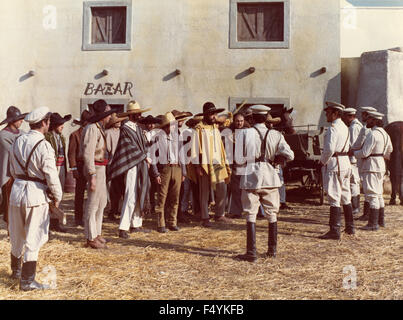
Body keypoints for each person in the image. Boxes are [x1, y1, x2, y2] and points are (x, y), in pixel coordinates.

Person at [8, 106, 62, 290]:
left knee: (16, 234)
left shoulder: (17, 141)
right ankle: (27, 281)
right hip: (36, 194)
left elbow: (12, 170)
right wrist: (57, 196)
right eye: (48, 122)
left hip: (16, 192)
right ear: (45, 123)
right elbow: (51, 175)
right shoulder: (44, 145)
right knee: (34, 236)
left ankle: (15, 271)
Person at [235, 105, 294, 262]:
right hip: (270, 175)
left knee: (250, 213)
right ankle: (271, 250)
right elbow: (290, 154)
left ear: (252, 118)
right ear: (266, 118)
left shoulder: (244, 133)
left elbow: (237, 158)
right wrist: (277, 159)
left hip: (250, 177)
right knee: (272, 213)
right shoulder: (276, 134)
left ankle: (251, 252)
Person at [107, 100, 152, 239]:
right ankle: (123, 227)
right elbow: (128, 148)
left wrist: (146, 153)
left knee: (139, 193)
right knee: (130, 195)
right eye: (137, 113)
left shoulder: (138, 128)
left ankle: (136, 224)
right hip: (132, 166)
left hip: (142, 165)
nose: (139, 115)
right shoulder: (125, 129)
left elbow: (144, 145)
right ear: (132, 115)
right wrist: (144, 156)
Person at [188, 102, 232, 228]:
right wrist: (197, 166)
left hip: (218, 164)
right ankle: (205, 217)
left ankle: (219, 214)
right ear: (206, 115)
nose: (214, 116)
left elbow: (220, 147)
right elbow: (195, 149)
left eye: (215, 114)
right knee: (204, 191)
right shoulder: (199, 129)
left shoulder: (215, 128)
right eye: (211, 114)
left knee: (222, 188)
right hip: (204, 165)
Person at [81, 99, 114, 249]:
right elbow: (88, 153)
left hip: (101, 169)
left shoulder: (98, 127)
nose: (109, 118)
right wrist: (92, 174)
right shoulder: (91, 128)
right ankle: (90, 237)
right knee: (92, 204)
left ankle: (97, 233)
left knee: (102, 203)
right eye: (107, 115)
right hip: (95, 169)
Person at [351, 111, 393, 230]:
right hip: (380, 164)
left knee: (372, 194)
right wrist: (381, 156)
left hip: (371, 166)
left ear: (374, 120)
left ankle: (373, 224)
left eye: (369, 119)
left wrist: (353, 153)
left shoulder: (373, 134)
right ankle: (380, 221)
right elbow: (390, 149)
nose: (367, 121)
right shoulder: (385, 133)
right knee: (379, 194)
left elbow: (365, 152)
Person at [319, 101, 354, 240]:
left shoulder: (333, 128)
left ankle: (334, 230)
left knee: (334, 196)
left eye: (328, 113)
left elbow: (329, 149)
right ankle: (350, 227)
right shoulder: (345, 127)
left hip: (335, 163)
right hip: (345, 162)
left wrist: (322, 161)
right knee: (345, 195)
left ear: (335, 113)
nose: (326, 115)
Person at [149, 112, 186, 233]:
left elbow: (182, 155)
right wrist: (156, 173)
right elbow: (153, 156)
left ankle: (172, 222)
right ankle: (161, 223)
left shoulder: (178, 137)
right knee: (162, 197)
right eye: (171, 125)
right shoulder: (157, 138)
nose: (174, 127)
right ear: (166, 126)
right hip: (164, 169)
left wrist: (183, 172)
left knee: (175, 197)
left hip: (176, 168)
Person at [0, 106, 27, 226]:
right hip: (8, 175)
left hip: (21, 175)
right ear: (11, 120)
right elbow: (15, 152)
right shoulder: (3, 135)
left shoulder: (23, 133)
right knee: (9, 204)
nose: (21, 121)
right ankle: (11, 230)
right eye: (19, 119)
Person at [45, 112, 71, 232]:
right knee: (50, 197)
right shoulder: (48, 137)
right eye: (60, 124)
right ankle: (47, 223)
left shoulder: (62, 138)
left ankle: (55, 222)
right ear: (54, 125)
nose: (62, 126)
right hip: (52, 169)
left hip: (60, 169)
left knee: (58, 197)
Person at [351, 106, 377, 221]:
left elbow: (359, 143)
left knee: (368, 188)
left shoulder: (366, 129)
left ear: (368, 116)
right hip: (369, 160)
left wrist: (352, 152)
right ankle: (367, 213)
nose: (362, 117)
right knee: (369, 188)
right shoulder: (369, 129)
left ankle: (368, 214)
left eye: (363, 114)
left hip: (365, 159)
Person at [68, 110, 92, 227]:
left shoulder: (91, 134)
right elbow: (71, 154)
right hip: (80, 165)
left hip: (90, 165)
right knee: (79, 194)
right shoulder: (75, 135)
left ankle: (89, 217)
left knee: (92, 193)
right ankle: (78, 218)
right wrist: (74, 169)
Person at [105, 113, 128, 222]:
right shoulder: (108, 133)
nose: (119, 122)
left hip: (123, 163)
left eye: (119, 121)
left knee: (124, 188)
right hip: (113, 163)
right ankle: (112, 211)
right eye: (116, 121)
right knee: (114, 190)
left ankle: (121, 210)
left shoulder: (123, 132)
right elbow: (108, 149)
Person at [342, 107, 363, 215]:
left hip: (352, 158)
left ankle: (355, 207)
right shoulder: (358, 126)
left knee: (353, 183)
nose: (344, 119)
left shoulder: (353, 128)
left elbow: (353, 144)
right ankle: (355, 206)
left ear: (349, 116)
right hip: (355, 158)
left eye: (345, 116)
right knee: (354, 182)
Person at [228, 112, 247, 219]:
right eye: (237, 121)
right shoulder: (230, 133)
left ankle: (258, 211)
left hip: (246, 164)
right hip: (235, 164)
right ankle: (236, 211)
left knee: (251, 189)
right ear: (234, 121)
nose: (239, 123)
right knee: (235, 189)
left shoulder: (248, 132)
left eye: (241, 121)